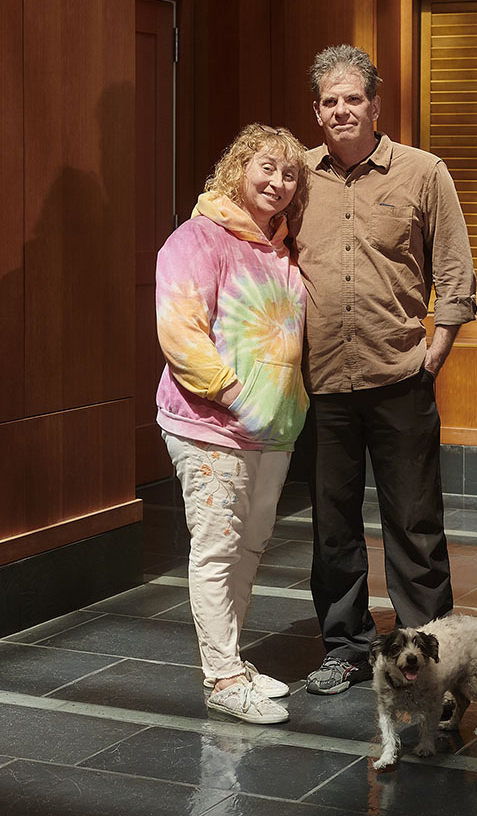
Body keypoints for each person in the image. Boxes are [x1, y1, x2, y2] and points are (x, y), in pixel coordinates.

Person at [292, 45, 477, 695]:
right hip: (324, 384)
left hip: (399, 373)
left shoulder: (423, 172)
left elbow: (453, 262)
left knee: (415, 524)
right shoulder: (297, 176)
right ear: (317, 112)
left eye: (353, 98)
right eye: (330, 101)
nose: (342, 110)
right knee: (332, 526)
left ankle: (429, 650)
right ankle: (345, 646)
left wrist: (440, 342)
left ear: (376, 105)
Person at [155, 123, 309, 723]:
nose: (277, 182)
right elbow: (180, 333)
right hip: (209, 425)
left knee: (250, 545)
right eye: (266, 167)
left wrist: (281, 411)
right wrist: (235, 395)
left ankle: (232, 662)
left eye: (290, 173)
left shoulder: (282, 249)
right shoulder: (197, 239)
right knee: (217, 549)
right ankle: (221, 679)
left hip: (274, 431)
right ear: (238, 169)